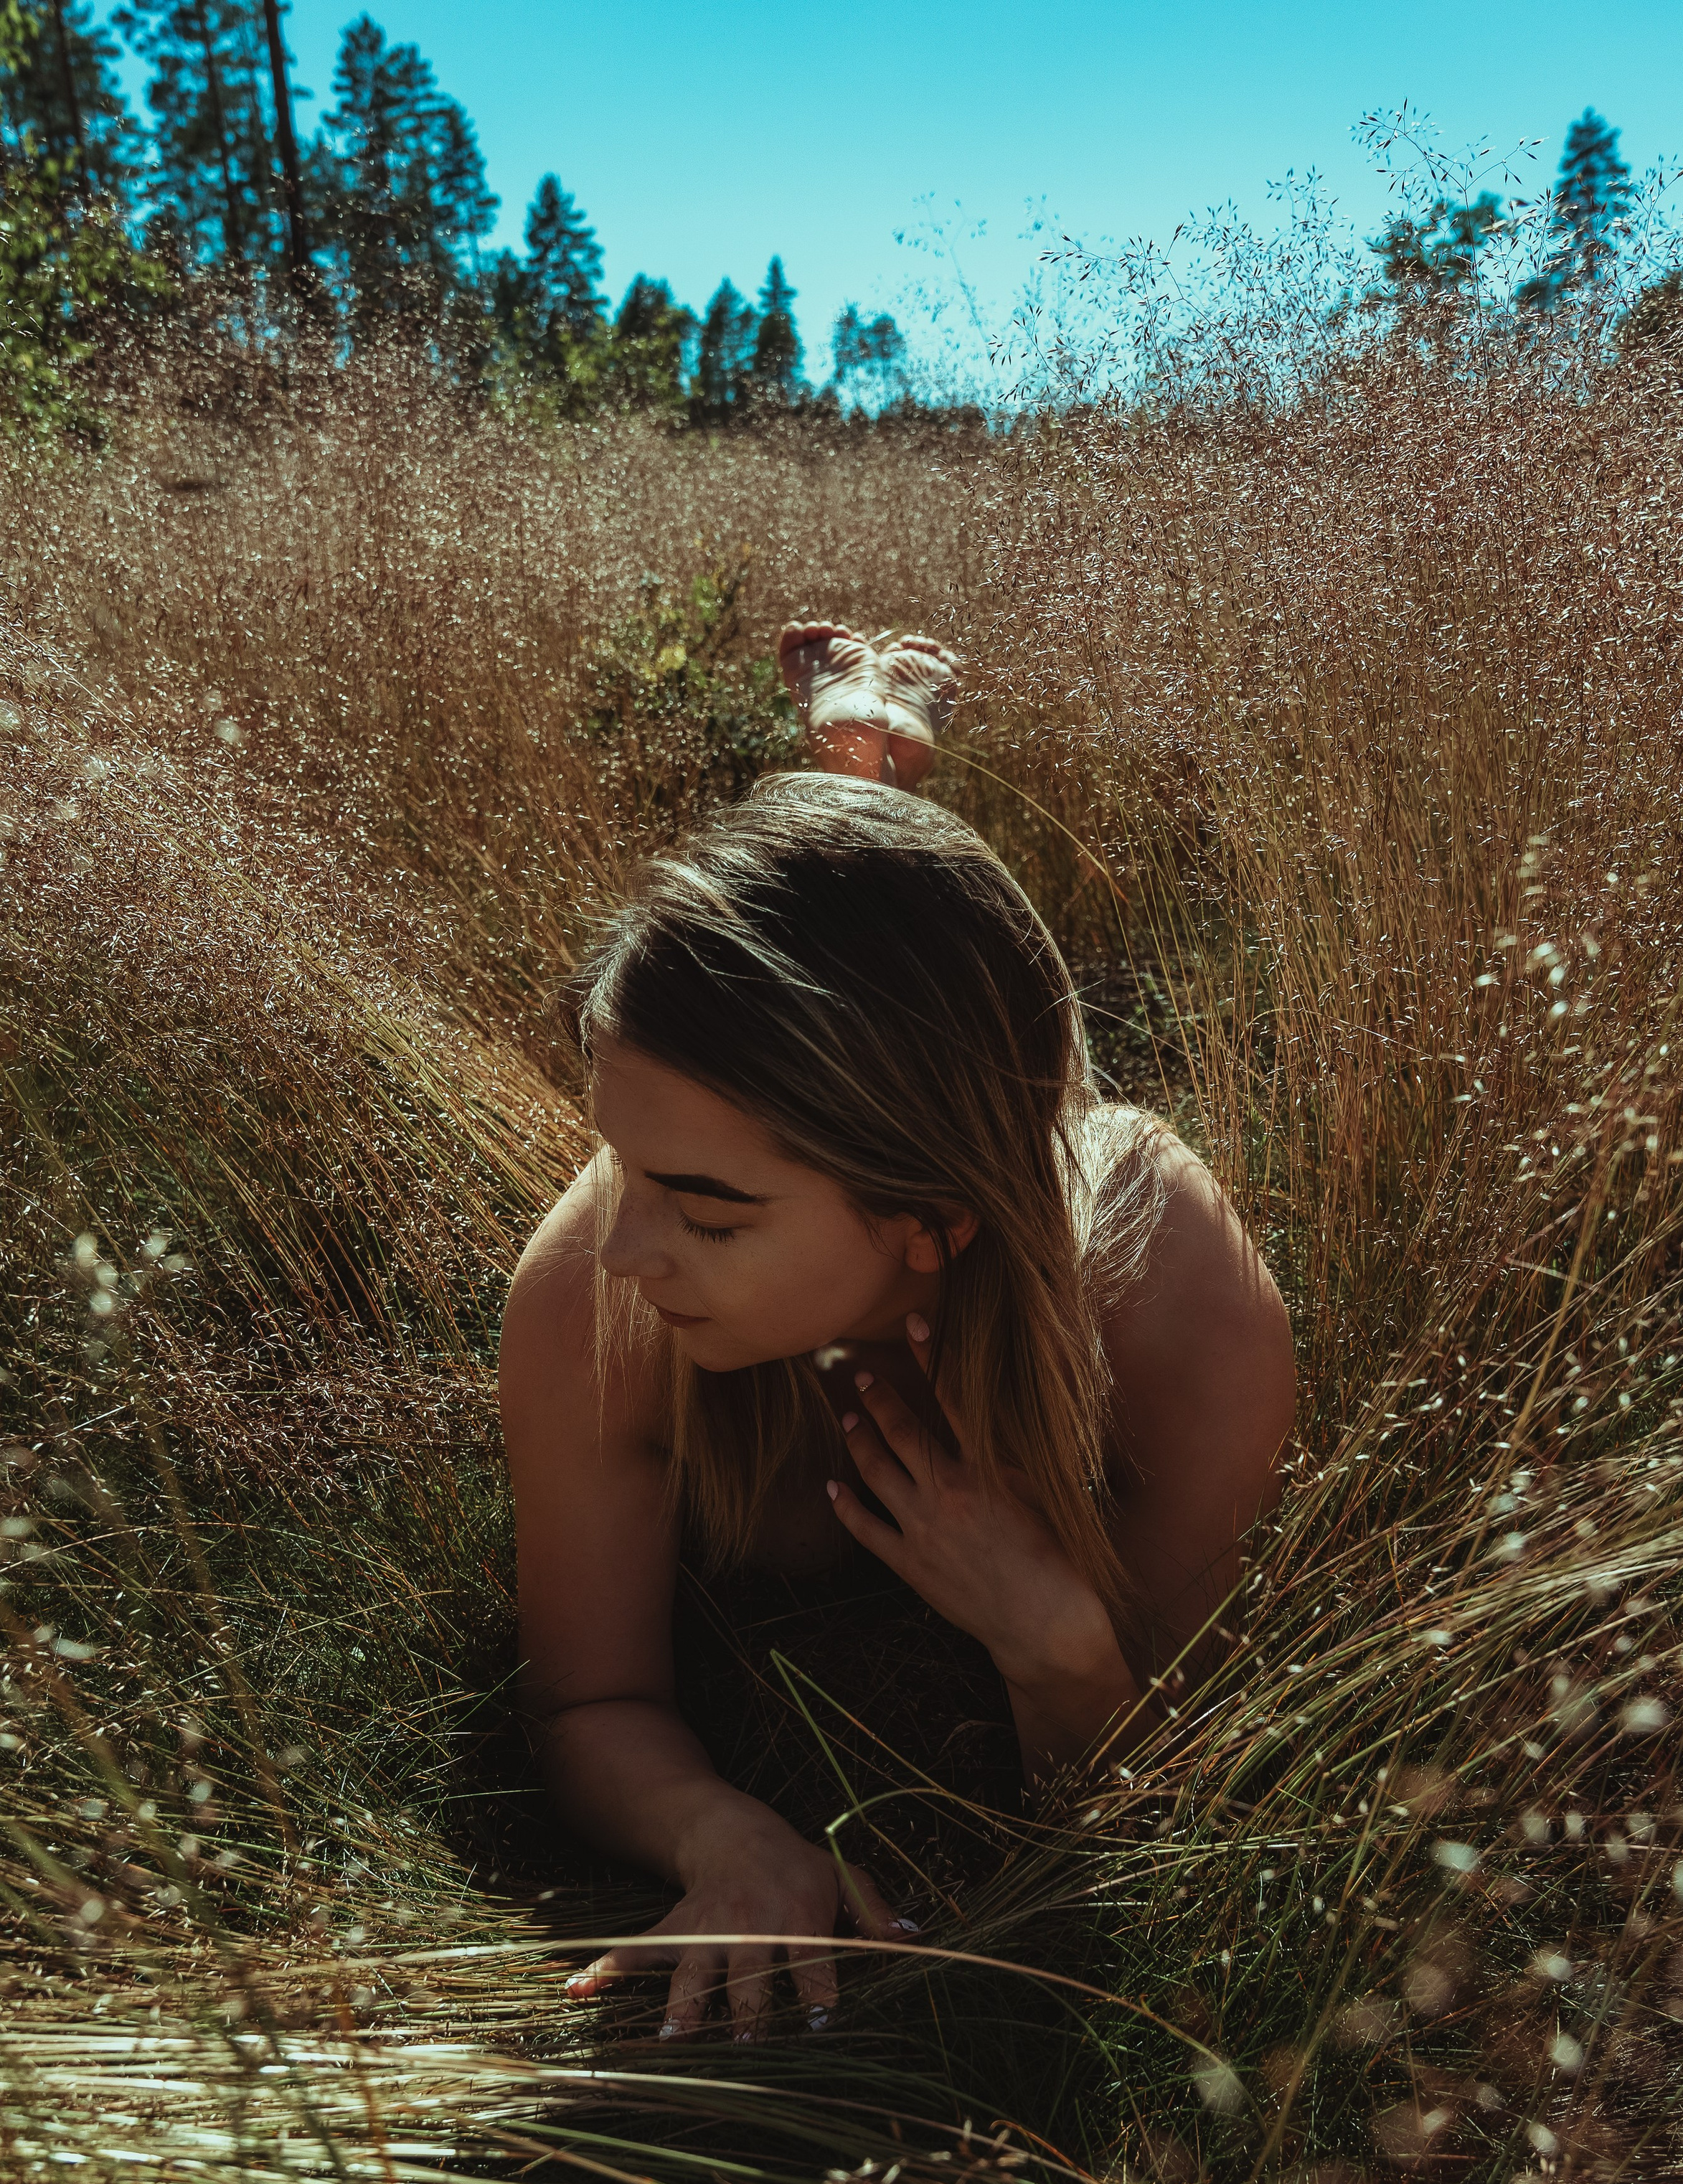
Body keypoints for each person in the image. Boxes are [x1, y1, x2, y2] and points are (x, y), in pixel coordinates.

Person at [498, 622, 1293, 2041]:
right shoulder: (590, 1289)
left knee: (963, 1005)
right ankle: (859, 764)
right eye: (619, 1162)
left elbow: (1159, 1811)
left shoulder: (1180, 1303)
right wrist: (714, 1832)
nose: (622, 1249)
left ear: (928, 1224)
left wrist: (1057, 1648)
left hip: (1013, 1209)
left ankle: (864, 755)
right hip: (914, 1153)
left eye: (708, 1212)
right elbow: (588, 1698)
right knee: (870, 940)